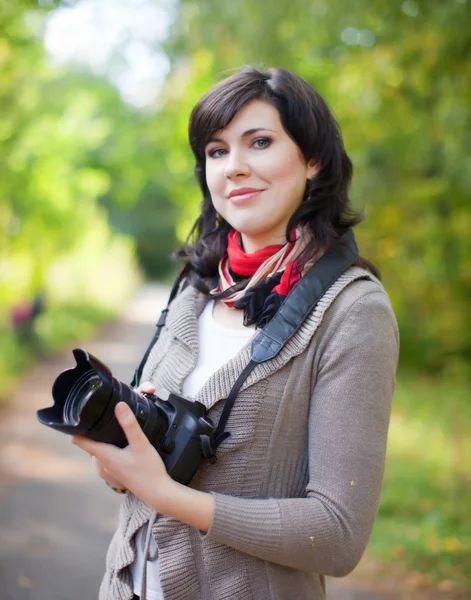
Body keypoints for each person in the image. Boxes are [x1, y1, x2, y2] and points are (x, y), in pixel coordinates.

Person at [71, 66, 399, 600]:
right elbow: (138, 481)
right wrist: (124, 449)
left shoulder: (353, 310)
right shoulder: (197, 285)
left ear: (313, 159)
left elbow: (338, 535)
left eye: (261, 142)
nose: (234, 168)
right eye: (217, 151)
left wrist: (166, 493)